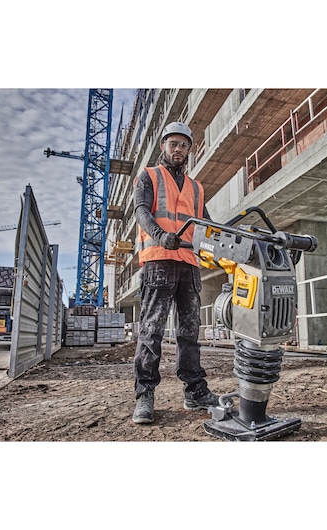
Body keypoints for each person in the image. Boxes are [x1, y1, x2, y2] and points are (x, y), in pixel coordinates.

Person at [132, 121, 223, 424]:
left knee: (189, 333)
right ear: (163, 146)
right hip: (159, 259)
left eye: (184, 145)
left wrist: (223, 243)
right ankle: (145, 395)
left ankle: (194, 391)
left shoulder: (196, 188)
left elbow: (207, 225)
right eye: (173, 144)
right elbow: (141, 211)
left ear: (189, 150)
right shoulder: (149, 176)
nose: (178, 149)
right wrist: (159, 235)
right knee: (151, 331)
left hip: (190, 264)